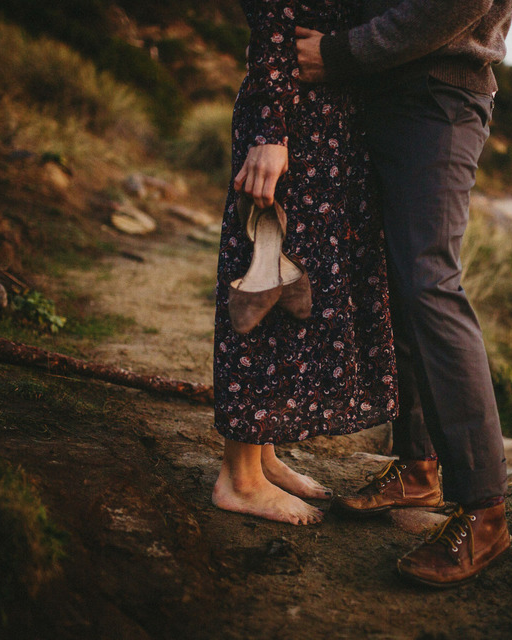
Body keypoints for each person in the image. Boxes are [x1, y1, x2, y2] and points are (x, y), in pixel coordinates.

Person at [295, 0, 512, 586]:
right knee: (398, 284)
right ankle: (418, 467)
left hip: (437, 94)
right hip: (384, 93)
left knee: (429, 284)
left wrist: (341, 53)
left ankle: (486, 512)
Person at [211, 0, 397, 526]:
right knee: (262, 278)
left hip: (320, 119)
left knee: (291, 284)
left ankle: (261, 454)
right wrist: (270, 129)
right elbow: (272, 14)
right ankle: (239, 477)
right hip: (291, 121)